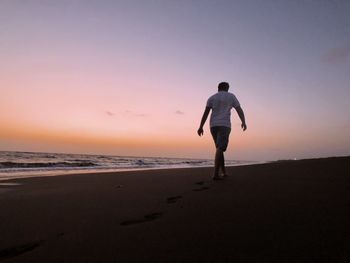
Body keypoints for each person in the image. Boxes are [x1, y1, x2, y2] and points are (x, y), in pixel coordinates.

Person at [197, 82, 247, 180]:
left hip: (213, 125)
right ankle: (215, 174)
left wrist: (201, 126)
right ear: (227, 88)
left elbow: (205, 113)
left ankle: (224, 172)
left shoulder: (211, 98)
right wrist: (243, 121)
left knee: (219, 148)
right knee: (220, 147)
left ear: (218, 88)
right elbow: (239, 109)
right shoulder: (231, 96)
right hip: (225, 125)